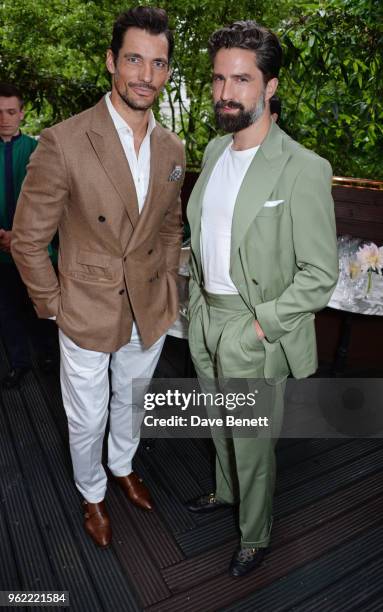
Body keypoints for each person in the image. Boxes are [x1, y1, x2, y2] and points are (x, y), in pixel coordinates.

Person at [11, 6, 185, 548]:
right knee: (86, 416)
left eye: (158, 65)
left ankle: (123, 465)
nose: (145, 76)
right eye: (134, 59)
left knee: (132, 400)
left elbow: (169, 223)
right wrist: (54, 304)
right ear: (111, 61)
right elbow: (27, 239)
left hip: (149, 304)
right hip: (83, 307)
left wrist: (170, 285)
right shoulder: (63, 142)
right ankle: (92, 493)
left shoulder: (173, 148)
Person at [186, 21, 338, 577]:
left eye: (242, 80)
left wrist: (257, 328)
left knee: (251, 442)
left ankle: (255, 534)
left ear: (270, 87)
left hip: (252, 326)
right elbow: (208, 235)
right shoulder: (212, 150)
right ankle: (225, 494)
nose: (225, 93)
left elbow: (320, 274)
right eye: (218, 79)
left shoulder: (303, 168)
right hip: (204, 314)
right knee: (216, 422)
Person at [0, 83, 56, 389]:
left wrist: (19, 236)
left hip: (34, 248)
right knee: (7, 309)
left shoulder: (36, 151)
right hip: (0, 248)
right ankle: (19, 363)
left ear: (21, 114)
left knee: (40, 306)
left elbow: (50, 200)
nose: (4, 118)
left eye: (11, 111)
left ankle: (48, 356)